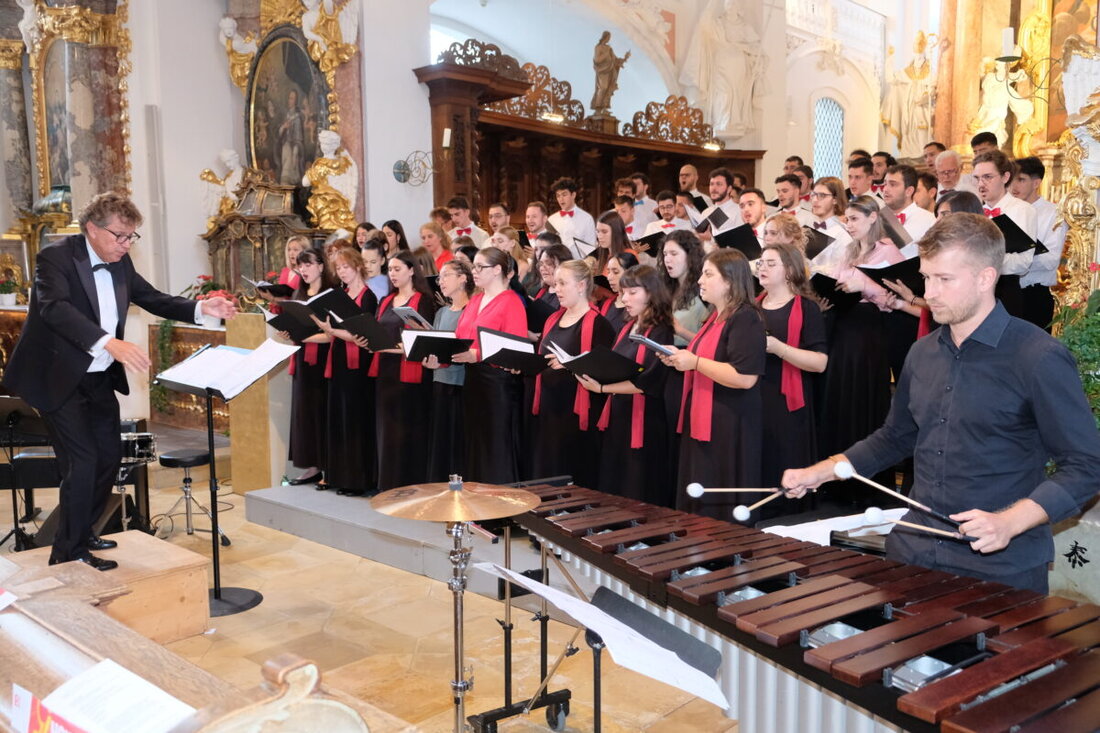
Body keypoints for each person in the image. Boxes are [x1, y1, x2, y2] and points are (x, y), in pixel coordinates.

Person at [783, 214, 1100, 593]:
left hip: (999, 566)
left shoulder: (1037, 357)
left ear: (985, 278)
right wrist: (822, 472)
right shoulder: (922, 353)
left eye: (944, 280)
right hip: (914, 552)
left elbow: (1086, 465)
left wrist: (1009, 522)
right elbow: (894, 438)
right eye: (927, 277)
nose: (929, 293)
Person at [4, 192, 237, 570]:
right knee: (83, 461)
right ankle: (68, 552)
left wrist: (199, 307)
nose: (126, 244)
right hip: (58, 377)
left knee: (110, 457)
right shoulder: (56, 257)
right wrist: (109, 342)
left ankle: (83, 528)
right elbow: (55, 309)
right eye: (120, 236)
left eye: (132, 237)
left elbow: (151, 298)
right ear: (92, 229)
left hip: (97, 378)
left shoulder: (120, 262)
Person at [659, 249, 766, 521]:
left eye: (708, 274)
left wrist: (694, 362)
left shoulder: (746, 317)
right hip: (705, 419)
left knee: (721, 497)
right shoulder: (714, 317)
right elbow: (702, 360)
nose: (700, 281)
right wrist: (678, 357)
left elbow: (745, 377)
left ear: (729, 280)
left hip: (730, 423)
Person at [817, 196, 906, 505]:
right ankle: (836, 479)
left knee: (863, 398)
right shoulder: (849, 250)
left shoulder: (888, 251)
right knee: (840, 397)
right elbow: (840, 283)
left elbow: (897, 296)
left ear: (872, 218)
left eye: (855, 218)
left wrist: (865, 288)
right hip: (843, 326)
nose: (850, 224)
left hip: (869, 330)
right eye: (848, 219)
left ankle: (865, 483)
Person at [581, 265, 674, 506]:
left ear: (651, 293)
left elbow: (650, 381)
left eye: (632, 292)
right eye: (623, 292)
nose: (624, 299)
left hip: (646, 416)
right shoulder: (627, 326)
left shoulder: (662, 329)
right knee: (616, 475)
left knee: (639, 479)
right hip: (620, 410)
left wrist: (602, 389)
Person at [530, 260, 615, 487]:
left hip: (577, 413)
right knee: (548, 473)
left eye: (562, 283)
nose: (556, 289)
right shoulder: (552, 319)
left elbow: (604, 371)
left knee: (574, 473)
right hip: (550, 408)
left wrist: (569, 364)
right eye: (556, 283)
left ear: (581, 286)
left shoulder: (599, 324)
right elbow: (542, 359)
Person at [755, 243, 827, 494]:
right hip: (754, 396)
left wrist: (779, 348)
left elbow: (820, 362)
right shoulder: (751, 307)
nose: (762, 267)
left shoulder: (806, 307)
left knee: (785, 463)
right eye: (761, 263)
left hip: (788, 401)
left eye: (771, 263)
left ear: (788, 270)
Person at [452, 248, 528, 483]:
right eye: (473, 266)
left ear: (497, 270)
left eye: (480, 267)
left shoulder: (511, 301)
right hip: (473, 379)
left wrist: (478, 354)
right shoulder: (475, 299)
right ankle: (477, 500)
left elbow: (515, 349)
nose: (474, 271)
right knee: (476, 442)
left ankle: (499, 507)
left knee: (495, 444)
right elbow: (460, 336)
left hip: (498, 383)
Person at [367, 250, 437, 490]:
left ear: (411, 270)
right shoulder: (386, 300)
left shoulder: (423, 301)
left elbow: (423, 340)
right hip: (386, 372)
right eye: (390, 270)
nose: (393, 274)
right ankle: (388, 485)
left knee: (408, 430)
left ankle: (409, 485)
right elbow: (378, 331)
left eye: (397, 269)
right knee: (386, 430)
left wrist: (394, 347)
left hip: (410, 375)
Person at [315, 248, 378, 496]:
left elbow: (362, 336)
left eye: (345, 266)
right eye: (338, 268)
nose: (342, 271)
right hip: (339, 359)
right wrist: (328, 328)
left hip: (359, 364)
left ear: (357, 266)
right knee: (338, 418)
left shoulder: (368, 297)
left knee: (355, 420)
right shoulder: (338, 295)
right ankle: (338, 476)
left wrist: (329, 330)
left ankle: (357, 480)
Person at [281, 248, 335, 489]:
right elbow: (296, 328)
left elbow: (331, 335)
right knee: (305, 414)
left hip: (324, 360)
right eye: (300, 266)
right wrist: (288, 331)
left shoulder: (330, 295)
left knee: (323, 412)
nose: (303, 270)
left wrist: (307, 337)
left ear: (321, 266)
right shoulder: (298, 293)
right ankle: (312, 466)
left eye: (308, 264)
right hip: (303, 361)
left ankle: (328, 466)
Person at [423, 259, 473, 480]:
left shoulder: (471, 309)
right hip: (440, 381)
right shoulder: (442, 312)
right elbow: (436, 344)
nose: (440, 281)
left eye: (446, 276)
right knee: (440, 437)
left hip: (460, 384)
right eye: (439, 277)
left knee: (457, 439)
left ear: (463, 278)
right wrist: (429, 359)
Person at [974, 149, 1036, 319]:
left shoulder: (1023, 210)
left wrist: (985, 262)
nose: (981, 184)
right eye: (977, 178)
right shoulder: (973, 212)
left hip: (1005, 290)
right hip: (974, 290)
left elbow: (1024, 262)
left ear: (1005, 177)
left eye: (987, 177)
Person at [1012, 156, 1067, 331]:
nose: (1014, 186)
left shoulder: (1053, 213)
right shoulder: (1008, 211)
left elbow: (1051, 260)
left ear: (1036, 183)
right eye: (1012, 179)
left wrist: (1023, 256)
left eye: (1021, 180)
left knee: (1032, 352)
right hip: (1007, 292)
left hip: (1034, 294)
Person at [882, 164, 936, 241]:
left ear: (909, 191)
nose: (885, 189)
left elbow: (899, 247)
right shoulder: (878, 218)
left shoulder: (928, 219)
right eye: (885, 184)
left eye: (893, 184)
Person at [548, 177, 597, 258]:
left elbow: (591, 248)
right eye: (558, 196)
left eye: (564, 194)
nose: (561, 199)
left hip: (578, 265)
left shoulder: (587, 219)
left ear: (573, 195)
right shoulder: (551, 220)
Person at [599, 252, 639, 334]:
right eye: (608, 272)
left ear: (630, 273)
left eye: (616, 272)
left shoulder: (639, 307)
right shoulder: (607, 303)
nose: (609, 277)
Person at [589, 211, 633, 276]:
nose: (599, 236)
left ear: (616, 232)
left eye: (604, 232)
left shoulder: (629, 256)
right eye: (597, 231)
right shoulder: (605, 254)